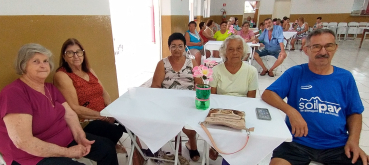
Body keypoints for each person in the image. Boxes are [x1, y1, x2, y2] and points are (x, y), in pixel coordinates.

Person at [262, 29, 369, 165]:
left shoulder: (345, 77)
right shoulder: (295, 73)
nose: (323, 52)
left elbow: (355, 112)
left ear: (335, 48)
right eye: (316, 47)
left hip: (337, 145)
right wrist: (291, 111)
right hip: (296, 143)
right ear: (306, 50)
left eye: (328, 46)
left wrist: (353, 141)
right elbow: (268, 94)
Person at [0, 43, 118, 165]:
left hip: (64, 141)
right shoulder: (14, 93)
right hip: (31, 156)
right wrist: (68, 152)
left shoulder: (49, 88)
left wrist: (80, 137)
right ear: (23, 65)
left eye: (45, 61)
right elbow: (23, 142)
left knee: (106, 148)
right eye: (36, 61)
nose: (43, 65)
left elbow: (70, 115)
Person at [151, 33, 218, 162]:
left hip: (188, 100)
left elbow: (198, 83)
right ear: (169, 47)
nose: (177, 49)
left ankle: (192, 143)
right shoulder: (162, 63)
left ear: (185, 47)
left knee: (191, 126)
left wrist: (197, 90)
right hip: (167, 101)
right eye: (173, 46)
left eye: (180, 46)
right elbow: (155, 86)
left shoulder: (191, 62)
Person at [53, 38, 127, 154]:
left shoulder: (89, 71)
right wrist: (101, 116)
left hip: (103, 114)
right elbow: (75, 108)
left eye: (78, 52)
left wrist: (110, 111)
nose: (76, 56)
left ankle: (137, 154)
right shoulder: (62, 75)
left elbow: (104, 92)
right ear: (64, 57)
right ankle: (111, 146)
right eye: (70, 53)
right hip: (85, 121)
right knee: (115, 131)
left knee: (131, 120)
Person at [210, 35, 258, 165]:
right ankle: (217, 146)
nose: (235, 53)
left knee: (240, 133)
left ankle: (224, 153)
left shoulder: (251, 71)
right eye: (230, 49)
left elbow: (251, 100)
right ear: (224, 52)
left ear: (243, 51)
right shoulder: (216, 70)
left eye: (238, 49)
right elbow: (212, 97)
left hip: (241, 111)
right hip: (221, 110)